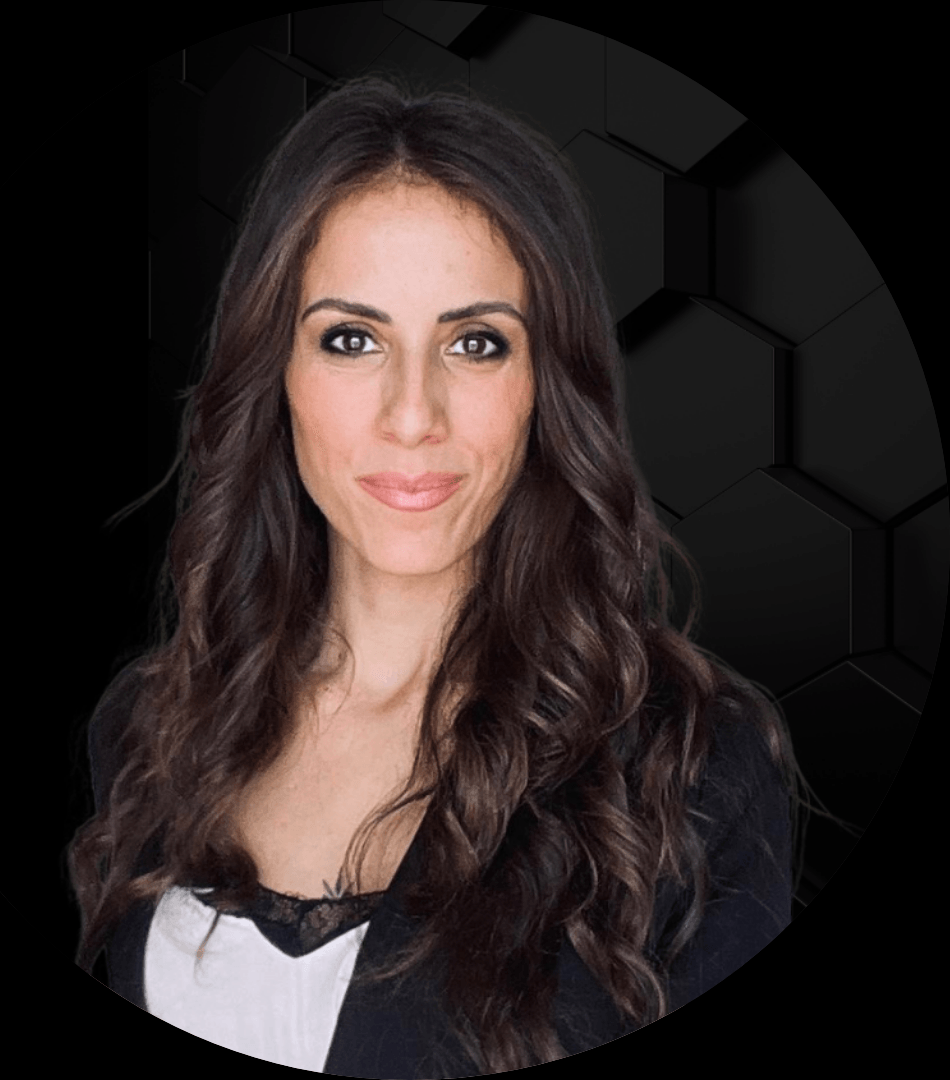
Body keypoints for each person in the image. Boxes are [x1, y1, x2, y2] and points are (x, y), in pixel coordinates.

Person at [66, 72, 845, 1076]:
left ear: (544, 382)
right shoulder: (150, 725)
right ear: (277, 373)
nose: (411, 415)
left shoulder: (686, 764)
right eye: (351, 339)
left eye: (476, 344)